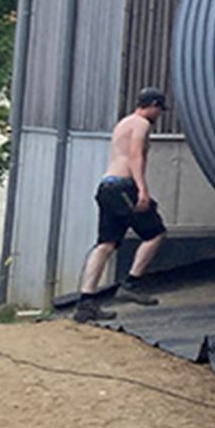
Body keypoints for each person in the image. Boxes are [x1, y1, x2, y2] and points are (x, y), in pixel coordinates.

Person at [73, 87, 170, 322]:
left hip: (107, 186)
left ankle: (86, 302)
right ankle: (132, 283)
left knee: (106, 244)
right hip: (123, 187)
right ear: (154, 105)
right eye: (159, 110)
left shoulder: (123, 123)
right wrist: (142, 190)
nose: (159, 115)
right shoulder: (141, 124)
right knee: (156, 233)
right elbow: (135, 155)